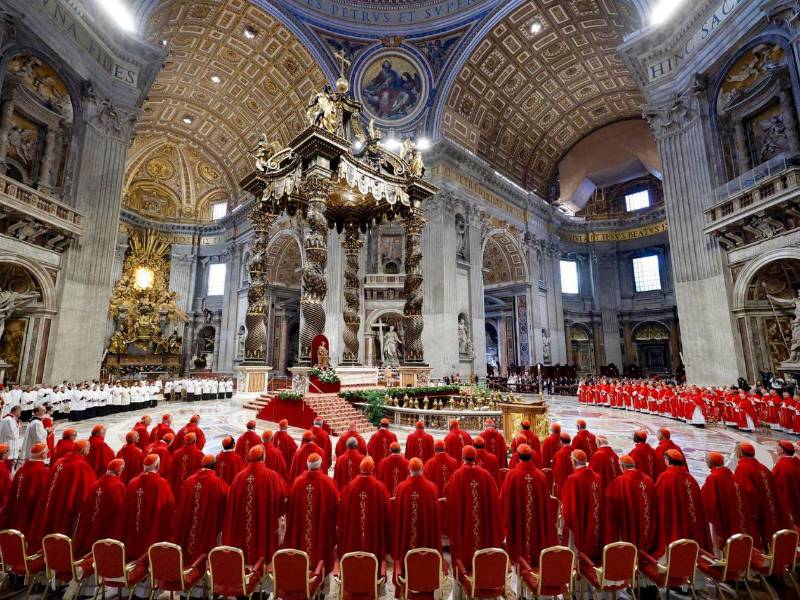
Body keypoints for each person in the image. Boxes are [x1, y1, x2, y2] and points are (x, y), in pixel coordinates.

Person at [223, 445, 287, 565]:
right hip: (262, 521)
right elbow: (281, 498)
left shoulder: (239, 477)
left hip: (242, 523)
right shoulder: (271, 476)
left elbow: (231, 503)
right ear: (263, 457)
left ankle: (242, 556)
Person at [444, 446, 503, 568]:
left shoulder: (457, 475)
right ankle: (484, 571)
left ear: (462, 457)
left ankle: (464, 575)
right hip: (483, 523)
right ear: (475, 457)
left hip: (465, 523)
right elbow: (494, 498)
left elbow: (448, 494)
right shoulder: (485, 474)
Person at [500, 444, 555, 567]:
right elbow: (546, 505)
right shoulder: (541, 476)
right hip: (536, 522)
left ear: (518, 456)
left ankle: (519, 582)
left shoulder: (512, 475)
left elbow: (503, 501)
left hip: (518, 521)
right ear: (531, 456)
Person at [33, 440, 96, 547]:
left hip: (56, 502)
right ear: (82, 450)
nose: (89, 449)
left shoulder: (59, 462)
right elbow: (88, 490)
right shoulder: (81, 466)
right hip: (70, 507)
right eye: (88, 447)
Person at [284, 452, 339, 573]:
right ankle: (320, 583)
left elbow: (291, 508)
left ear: (307, 465)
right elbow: (336, 507)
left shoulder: (298, 482)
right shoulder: (328, 483)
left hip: (302, 530)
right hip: (321, 530)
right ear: (320, 465)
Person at [654, 449, 710, 557]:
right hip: (688, 519)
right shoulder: (690, 478)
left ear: (667, 460)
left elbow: (657, 498)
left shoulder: (666, 477)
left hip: (673, 518)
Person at [174, 455, 229, 562]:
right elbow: (226, 498)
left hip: (189, 520)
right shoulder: (217, 482)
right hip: (207, 521)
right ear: (214, 466)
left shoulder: (189, 481)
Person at [734, 442, 786, 550]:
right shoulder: (762, 466)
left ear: (740, 453)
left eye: (736, 450)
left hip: (754, 510)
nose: (735, 452)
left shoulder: (742, 468)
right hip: (768, 506)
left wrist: (752, 512)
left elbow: (745, 491)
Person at [701, 451, 754, 555]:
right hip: (731, 512)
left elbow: (706, 498)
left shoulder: (713, 477)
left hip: (719, 515)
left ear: (711, 463)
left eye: (706, 460)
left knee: (716, 538)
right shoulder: (730, 473)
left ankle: (719, 559)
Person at [337, 457, 391, 560]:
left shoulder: (349, 487)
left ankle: (351, 561)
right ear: (373, 469)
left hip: (353, 532)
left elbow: (342, 510)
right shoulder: (380, 487)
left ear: (360, 468)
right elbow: (387, 512)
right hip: (373, 532)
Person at [123, 454, 176, 558]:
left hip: (134, 529)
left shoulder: (132, 482)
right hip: (152, 530)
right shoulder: (162, 484)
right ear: (157, 466)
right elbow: (170, 507)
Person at [392, 458, 441, 566]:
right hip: (425, 529)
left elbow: (398, 514)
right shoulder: (431, 488)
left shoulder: (401, 487)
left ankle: (407, 565)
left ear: (409, 469)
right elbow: (435, 514)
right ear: (422, 469)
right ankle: (426, 563)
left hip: (407, 529)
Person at [604, 454, 656, 554]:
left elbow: (609, 500)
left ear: (622, 466)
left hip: (630, 521)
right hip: (647, 524)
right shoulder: (648, 480)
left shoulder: (621, 481)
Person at [74, 459, 127, 554]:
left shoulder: (95, 483)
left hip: (90, 523)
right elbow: (119, 509)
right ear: (119, 470)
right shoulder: (118, 486)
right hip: (106, 526)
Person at [562, 449, 604, 562]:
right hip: (594, 518)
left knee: (575, 546)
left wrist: (565, 514)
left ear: (574, 462)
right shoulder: (597, 477)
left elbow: (569, 507)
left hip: (579, 521)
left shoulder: (573, 479)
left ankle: (577, 566)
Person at [0, 442, 49, 538]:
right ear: (43, 455)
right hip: (32, 512)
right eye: (47, 452)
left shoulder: (21, 469)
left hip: (19, 507)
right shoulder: (43, 472)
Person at [772, 440, 800, 526]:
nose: (776, 447)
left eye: (778, 446)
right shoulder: (796, 462)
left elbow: (773, 482)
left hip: (786, 499)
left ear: (782, 451)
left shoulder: (781, 465)